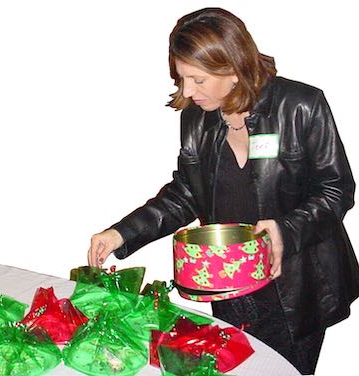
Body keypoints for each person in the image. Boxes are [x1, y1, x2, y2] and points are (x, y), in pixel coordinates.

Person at [86, 7, 359, 375]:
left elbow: (336, 189)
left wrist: (285, 229)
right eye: (182, 78)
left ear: (232, 69)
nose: (186, 91)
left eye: (197, 80)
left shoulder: (301, 106)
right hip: (227, 282)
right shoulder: (197, 117)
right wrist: (122, 233)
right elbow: (185, 193)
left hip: (296, 287)